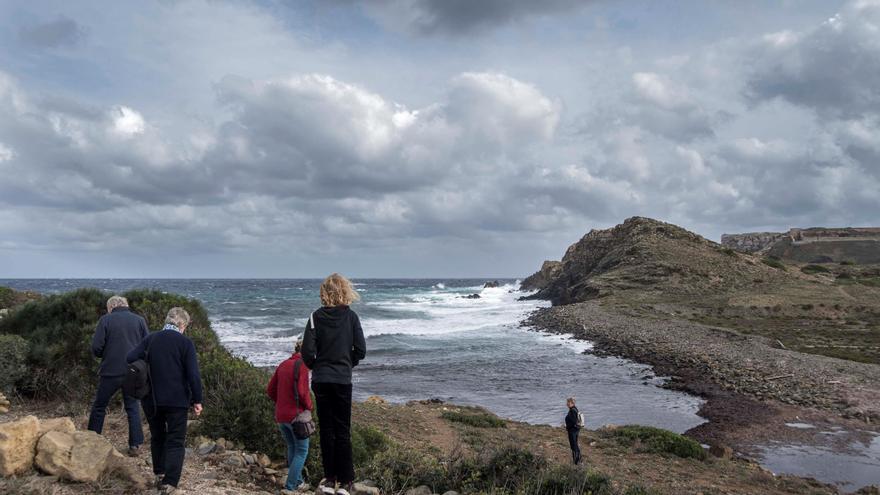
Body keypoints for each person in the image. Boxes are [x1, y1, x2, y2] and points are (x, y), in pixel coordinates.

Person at [302, 273, 366, 495]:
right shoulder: (352, 318)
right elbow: (361, 350)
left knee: (326, 430)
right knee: (343, 430)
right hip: (341, 379)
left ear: (324, 293)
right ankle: (347, 482)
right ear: (345, 292)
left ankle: (330, 480)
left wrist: (317, 365)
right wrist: (348, 363)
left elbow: (307, 353)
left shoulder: (314, 318)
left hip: (321, 379)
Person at [127, 307, 203, 495]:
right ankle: (170, 483)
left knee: (158, 436)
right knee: (176, 441)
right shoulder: (185, 343)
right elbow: (193, 375)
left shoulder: (151, 339)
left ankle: (159, 473)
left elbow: (130, 358)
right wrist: (197, 400)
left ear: (167, 321)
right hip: (177, 401)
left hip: (151, 399)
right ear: (182, 324)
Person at [88, 295, 148, 456]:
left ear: (111, 307)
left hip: (110, 371)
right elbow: (147, 345)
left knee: (100, 406)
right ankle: (135, 445)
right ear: (126, 305)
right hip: (133, 371)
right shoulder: (139, 320)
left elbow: (96, 347)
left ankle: (92, 440)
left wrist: (105, 354)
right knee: (133, 407)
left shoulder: (106, 320)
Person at [267, 338, 313, 493]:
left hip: (281, 416)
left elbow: (270, 390)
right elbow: (303, 392)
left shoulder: (283, 364)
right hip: (296, 417)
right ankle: (290, 486)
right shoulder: (303, 366)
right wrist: (309, 406)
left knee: (292, 447)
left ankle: (298, 482)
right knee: (302, 451)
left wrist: (282, 403)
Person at [564, 397, 582, 465]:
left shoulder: (572, 410)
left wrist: (567, 426)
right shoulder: (575, 409)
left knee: (573, 446)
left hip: (572, 431)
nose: (566, 404)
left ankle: (576, 462)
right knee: (575, 445)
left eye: (568, 402)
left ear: (572, 403)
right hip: (575, 430)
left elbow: (574, 421)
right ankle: (578, 459)